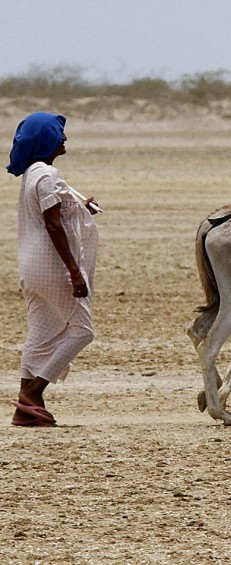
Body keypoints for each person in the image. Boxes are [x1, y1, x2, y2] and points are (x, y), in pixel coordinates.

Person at [6, 112, 99, 427]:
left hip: (31, 267)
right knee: (82, 331)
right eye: (59, 134)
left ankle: (24, 412)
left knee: (41, 335)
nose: (65, 139)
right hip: (52, 266)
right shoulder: (47, 175)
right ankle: (33, 393)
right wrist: (74, 271)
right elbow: (53, 225)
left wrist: (81, 209)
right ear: (46, 139)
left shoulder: (34, 172)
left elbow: (57, 213)